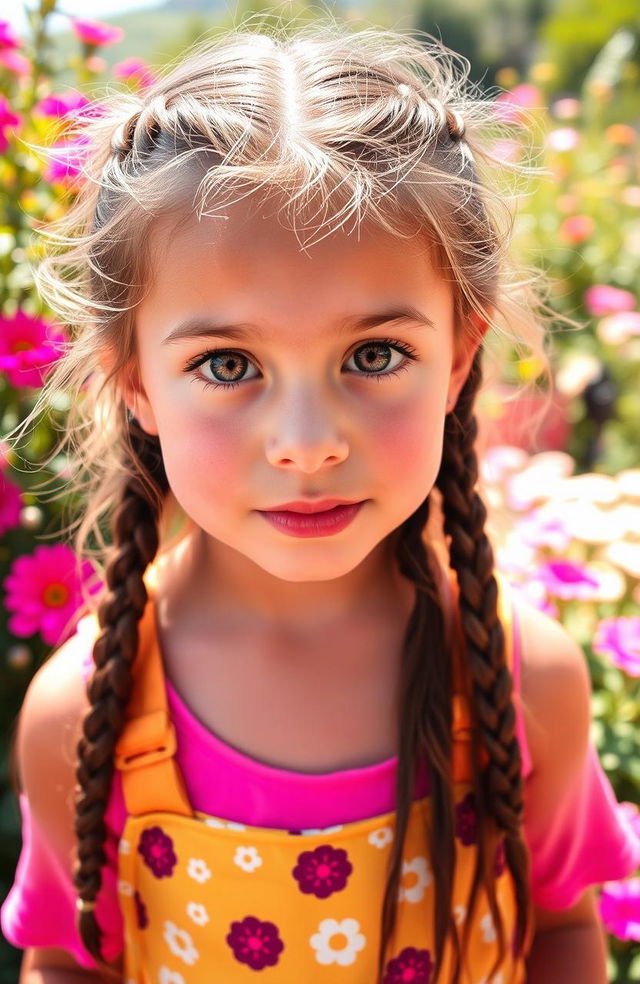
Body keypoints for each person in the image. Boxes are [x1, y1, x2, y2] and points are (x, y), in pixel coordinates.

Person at [2, 18, 639, 984]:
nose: (307, 442)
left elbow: (560, 933)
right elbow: (70, 963)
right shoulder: (86, 713)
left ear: (460, 357)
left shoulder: (517, 680)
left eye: (374, 355)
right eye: (227, 364)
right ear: (132, 378)